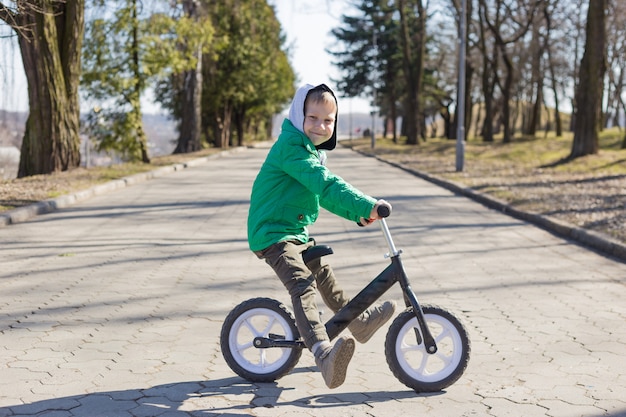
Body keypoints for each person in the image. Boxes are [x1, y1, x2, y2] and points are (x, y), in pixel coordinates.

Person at [247, 83, 396, 389]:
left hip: (293, 232)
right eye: (312, 117)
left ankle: (360, 324)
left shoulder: (309, 152)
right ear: (297, 115)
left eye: (328, 120)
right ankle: (322, 354)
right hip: (272, 233)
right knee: (302, 284)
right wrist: (368, 204)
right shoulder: (291, 149)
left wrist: (359, 214)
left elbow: (324, 195)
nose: (320, 125)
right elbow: (327, 185)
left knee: (323, 275)